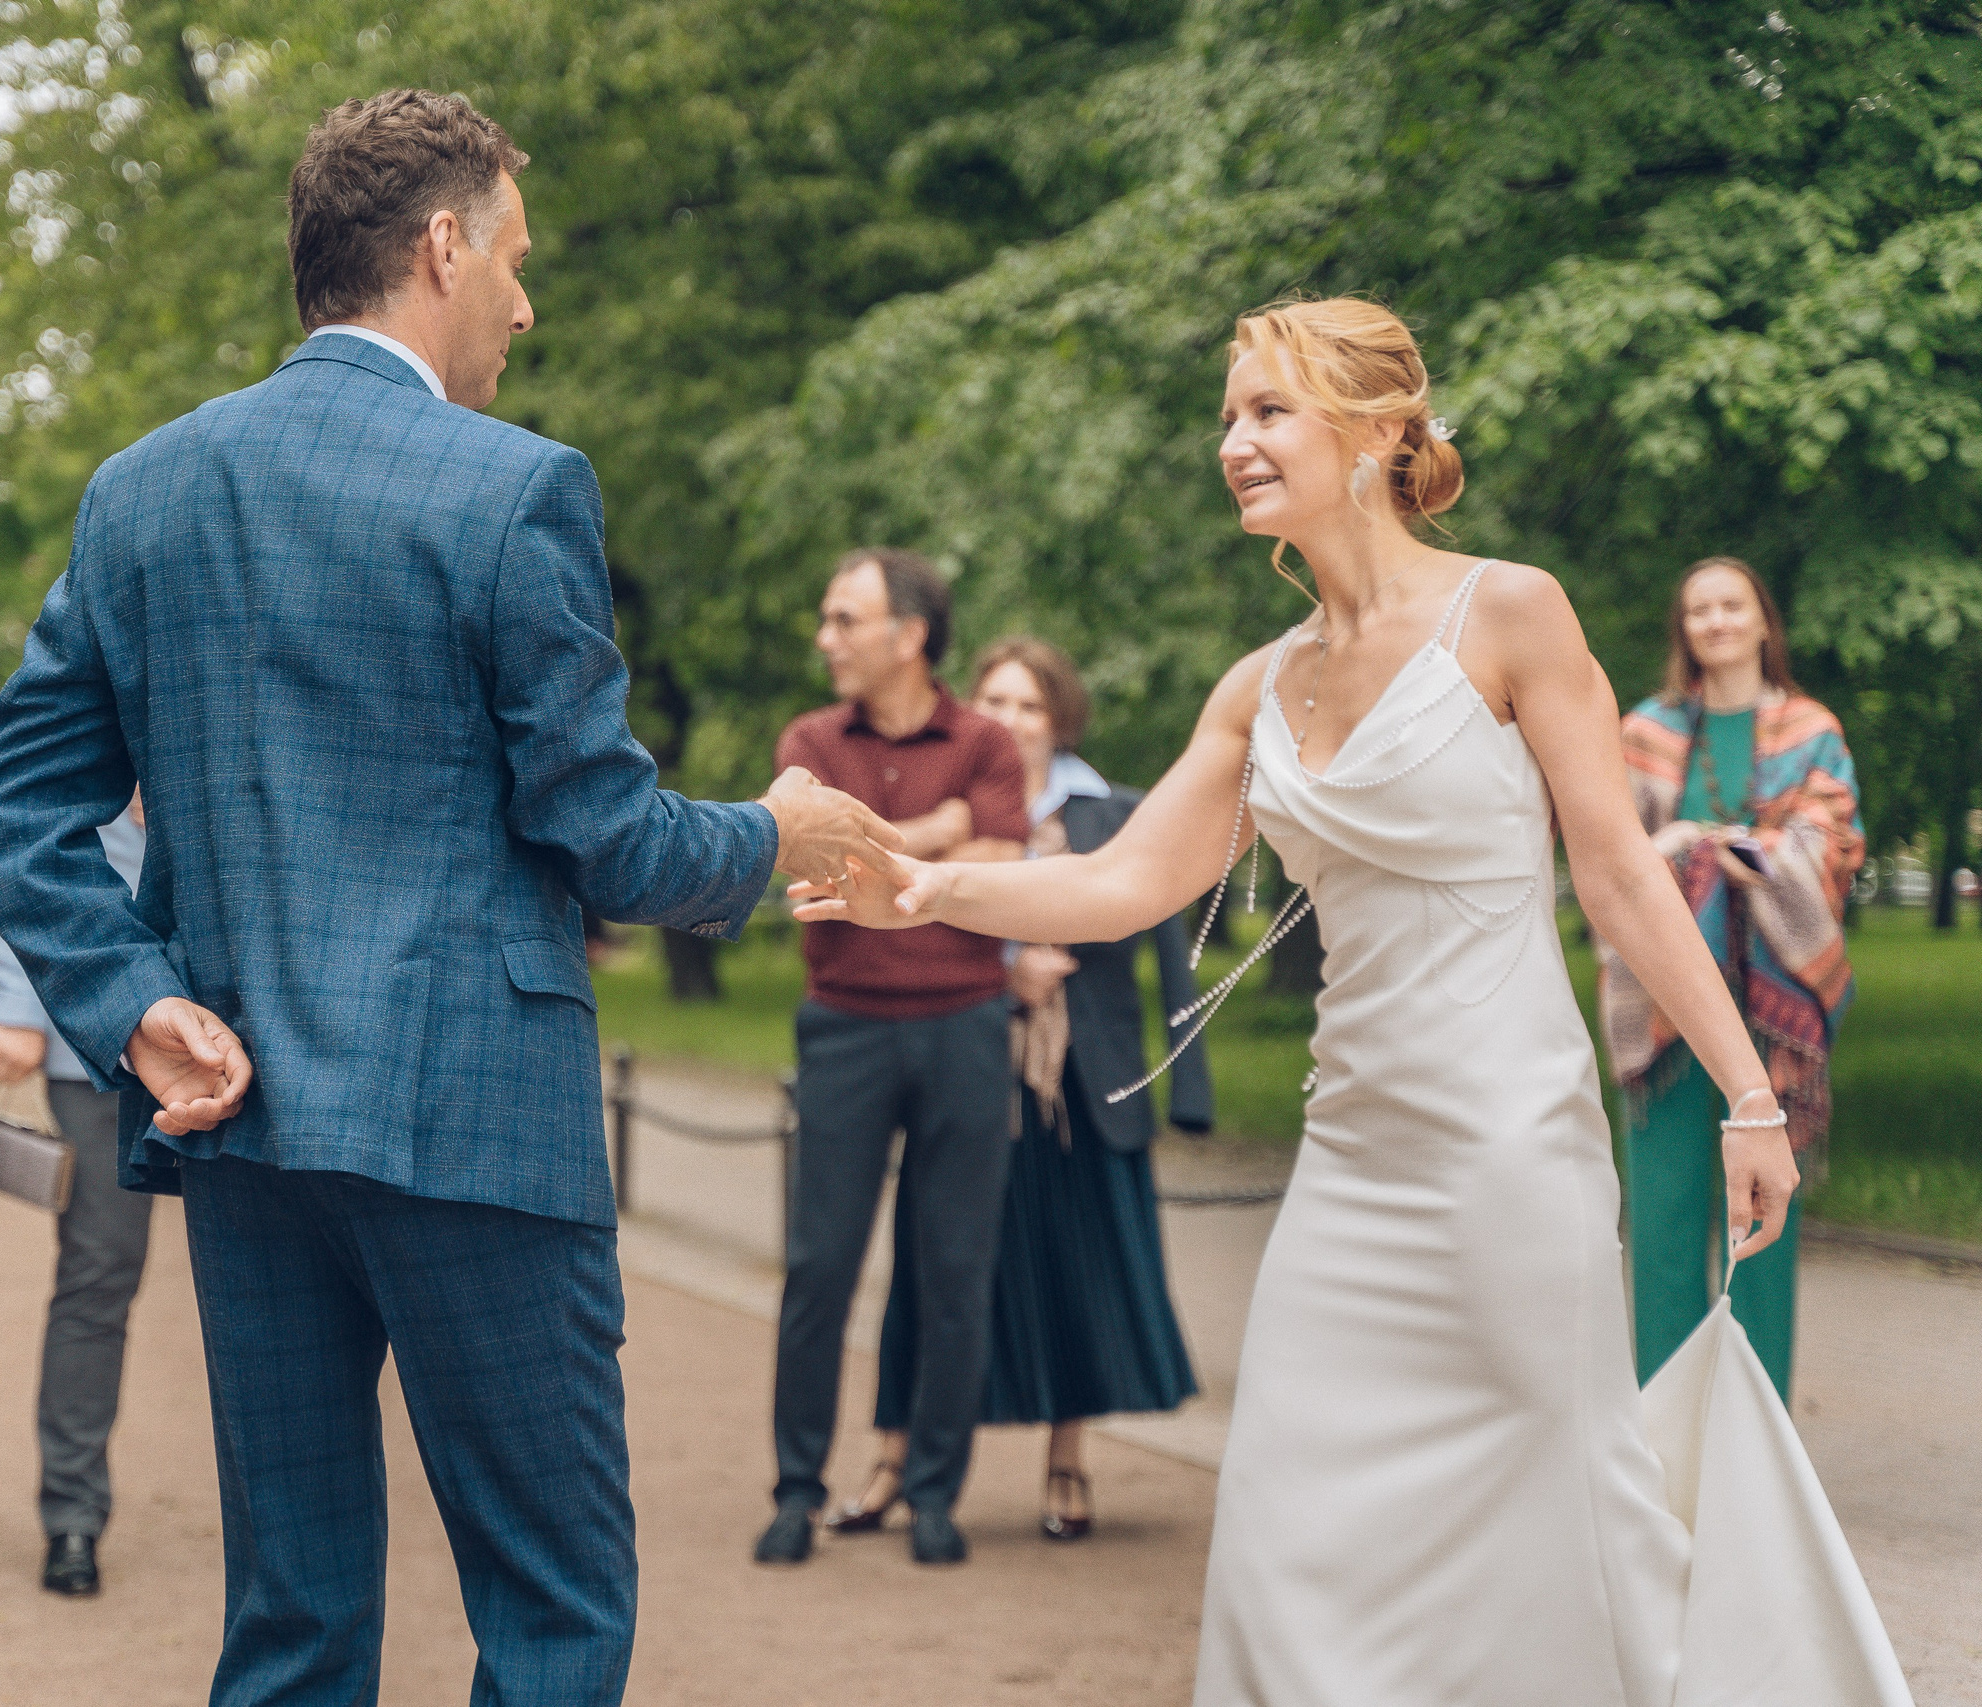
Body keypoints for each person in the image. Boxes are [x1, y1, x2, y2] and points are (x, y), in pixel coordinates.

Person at [796, 298, 1912, 1702]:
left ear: (1381, 430)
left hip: (1511, 1145)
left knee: (1553, 1508)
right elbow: (1132, 874)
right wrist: (933, 890)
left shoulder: (1509, 609)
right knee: (1289, 1523)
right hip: (1353, 1163)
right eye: (1228, 415)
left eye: (1268, 410)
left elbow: (1622, 878)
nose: (1235, 441)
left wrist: (1751, 1091)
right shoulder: (1260, 683)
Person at [0, 89, 898, 1707]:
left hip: (241, 1134)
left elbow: (13, 807)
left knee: (295, 1623)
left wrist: (132, 1007)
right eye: (517, 258)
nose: (527, 303)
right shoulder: (515, 491)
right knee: (548, 1612)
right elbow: (612, 844)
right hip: (476, 1126)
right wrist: (781, 831)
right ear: (443, 244)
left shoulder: (142, 493)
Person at [836, 637, 1207, 1546]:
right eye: (994, 701)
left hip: (1086, 1084)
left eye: (1029, 704)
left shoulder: (1115, 810)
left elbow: (1165, 947)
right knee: (932, 1272)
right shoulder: (953, 810)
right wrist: (1007, 977)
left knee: (1078, 1274)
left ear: (1061, 716)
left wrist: (1185, 1083)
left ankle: (1067, 1463)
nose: (1010, 718)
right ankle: (894, 1457)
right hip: (966, 1069)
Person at [758, 549, 1029, 1570]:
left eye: (842, 620)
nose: (824, 639)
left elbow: (1008, 866)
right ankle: (795, 1490)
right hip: (844, 1026)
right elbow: (806, 856)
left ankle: (932, 1496)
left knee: (954, 1270)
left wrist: (913, 844)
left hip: (966, 1025)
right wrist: (946, 828)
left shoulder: (987, 739)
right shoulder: (807, 740)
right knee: (818, 1268)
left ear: (908, 635)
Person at [1601, 558, 1863, 1401]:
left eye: (1732, 605)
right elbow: (1607, 851)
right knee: (1665, 1219)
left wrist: (1735, 850)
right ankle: (1661, 1433)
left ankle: (1758, 1434)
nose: (1716, 621)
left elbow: (1832, 846)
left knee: (1763, 1222)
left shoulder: (1811, 728)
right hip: (1666, 1007)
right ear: (1684, 629)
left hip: (1771, 1015)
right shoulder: (1643, 730)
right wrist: (1677, 846)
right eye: (1699, 609)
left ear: (1762, 621)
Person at [0, 796, 152, 1597]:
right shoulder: (95, 726)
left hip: (255, 1041)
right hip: (100, 1054)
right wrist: (17, 1010)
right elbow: (26, 854)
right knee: (98, 1275)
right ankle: (73, 1513)